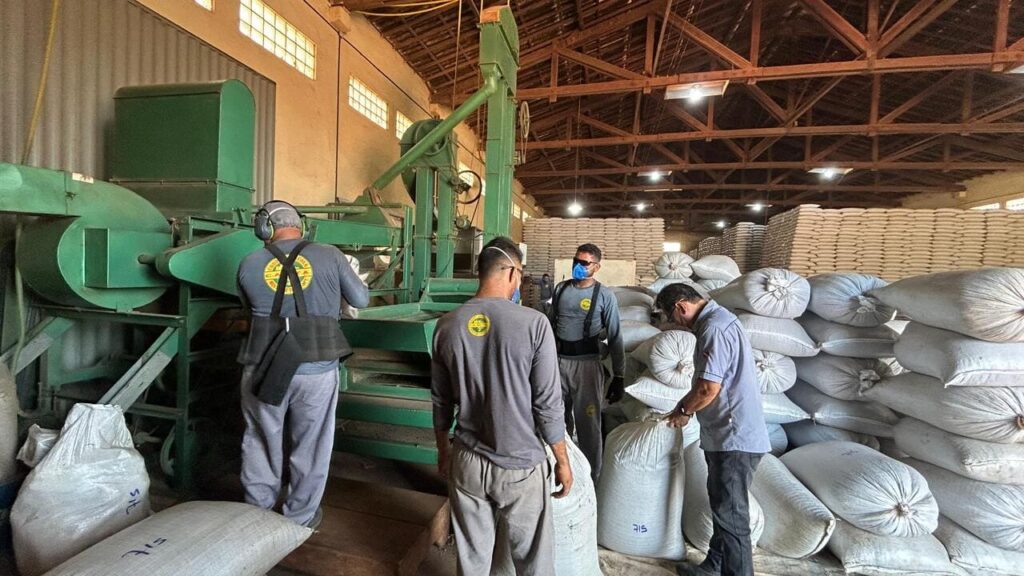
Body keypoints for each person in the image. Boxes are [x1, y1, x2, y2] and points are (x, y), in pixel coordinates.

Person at [432, 236, 573, 576]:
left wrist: (444, 452)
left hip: (467, 461)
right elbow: (547, 403)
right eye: (520, 276)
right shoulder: (534, 324)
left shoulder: (446, 325)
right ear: (511, 273)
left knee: (472, 560)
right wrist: (562, 460)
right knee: (534, 562)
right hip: (520, 465)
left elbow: (441, 400)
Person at [236, 200, 369, 529]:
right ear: (301, 225)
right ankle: (298, 518)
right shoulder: (331, 255)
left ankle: (257, 515)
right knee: (311, 445)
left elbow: (247, 308)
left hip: (263, 365)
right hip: (317, 366)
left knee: (260, 439)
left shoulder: (249, 262)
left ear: (264, 227)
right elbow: (361, 301)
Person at [655, 283, 770, 576]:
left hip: (733, 437)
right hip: (733, 434)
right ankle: (713, 566)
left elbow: (708, 388)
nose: (677, 324)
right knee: (724, 510)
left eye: (673, 318)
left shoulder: (713, 328)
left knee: (732, 516)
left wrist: (683, 411)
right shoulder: (722, 320)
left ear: (681, 306)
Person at [549, 243, 623, 481]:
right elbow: (550, 325)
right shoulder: (560, 289)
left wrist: (618, 376)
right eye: (576, 261)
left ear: (597, 267)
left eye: (584, 263)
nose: (578, 266)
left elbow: (615, 335)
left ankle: (592, 476)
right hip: (559, 362)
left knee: (588, 423)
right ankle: (562, 468)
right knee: (557, 420)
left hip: (587, 366)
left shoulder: (604, 295)